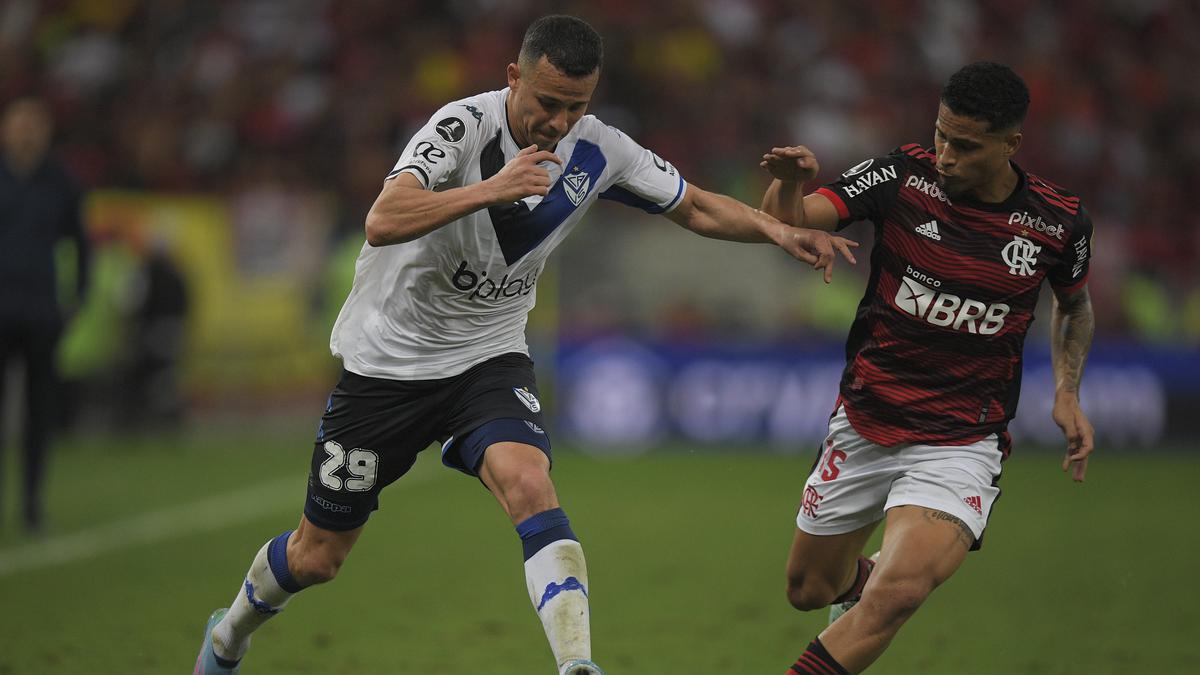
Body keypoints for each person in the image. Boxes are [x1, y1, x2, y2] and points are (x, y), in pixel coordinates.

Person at [194, 15, 857, 675]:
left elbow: (697, 207)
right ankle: (227, 638)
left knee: (530, 482)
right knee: (317, 556)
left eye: (575, 106)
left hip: (487, 356)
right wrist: (491, 188)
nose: (559, 122)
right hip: (388, 366)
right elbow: (383, 218)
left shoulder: (600, 149)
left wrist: (775, 229)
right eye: (546, 103)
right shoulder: (459, 127)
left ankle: (577, 664)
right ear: (514, 77)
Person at [758, 61, 1095, 674]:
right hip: (866, 421)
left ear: (1010, 144)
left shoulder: (1057, 223)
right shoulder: (901, 176)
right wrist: (787, 185)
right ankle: (855, 588)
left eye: (966, 145)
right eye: (942, 134)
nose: (945, 154)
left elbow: (1075, 307)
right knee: (808, 589)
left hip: (961, 439)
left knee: (900, 590)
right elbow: (792, 221)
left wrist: (1068, 392)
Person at [0, 97, 91, 534]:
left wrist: (79, 294)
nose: (26, 133)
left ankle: (32, 505)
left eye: (34, 125)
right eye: (19, 124)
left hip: (39, 311)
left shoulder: (61, 181)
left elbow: (80, 241)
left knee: (39, 412)